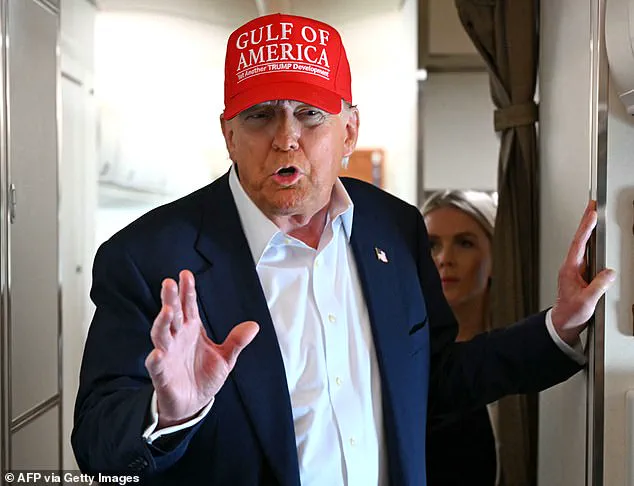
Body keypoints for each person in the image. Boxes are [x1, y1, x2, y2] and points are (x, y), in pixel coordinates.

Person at [71, 13, 616, 486]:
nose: (286, 138)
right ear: (229, 135)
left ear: (349, 131)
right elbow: (97, 445)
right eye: (260, 115)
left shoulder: (394, 228)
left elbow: (434, 379)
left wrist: (559, 327)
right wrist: (166, 416)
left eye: (310, 114)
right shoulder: (146, 259)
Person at [421, 190, 499, 485]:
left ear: (494, 257)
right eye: (432, 245)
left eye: (464, 243)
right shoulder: (408, 360)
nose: (445, 259)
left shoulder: (514, 355)